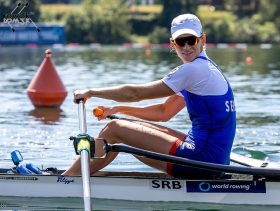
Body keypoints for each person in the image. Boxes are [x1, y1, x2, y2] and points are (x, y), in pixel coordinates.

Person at [63, 14, 236, 178]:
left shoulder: (194, 70)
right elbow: (163, 112)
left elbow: (136, 94)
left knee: (114, 128)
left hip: (201, 160)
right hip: (214, 160)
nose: (186, 47)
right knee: (131, 126)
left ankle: (69, 178)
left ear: (202, 40)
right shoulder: (208, 69)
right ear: (172, 44)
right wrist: (117, 109)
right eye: (180, 42)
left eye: (191, 40)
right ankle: (85, 171)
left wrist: (91, 92)